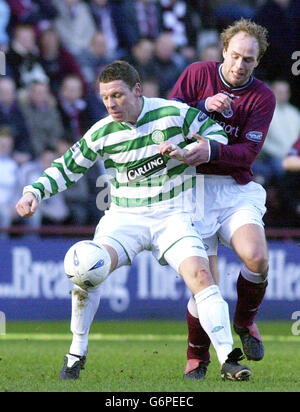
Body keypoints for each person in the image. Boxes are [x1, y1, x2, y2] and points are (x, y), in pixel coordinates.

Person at [16, 60, 251, 382]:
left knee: (201, 274)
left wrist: (193, 151)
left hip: (173, 215)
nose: (111, 104)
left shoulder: (173, 113)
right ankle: (75, 354)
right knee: (87, 268)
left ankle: (228, 359)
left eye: (118, 95)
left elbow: (217, 135)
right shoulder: (102, 131)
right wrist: (34, 192)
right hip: (125, 218)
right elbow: (68, 166)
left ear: (137, 90)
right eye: (105, 98)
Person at [169, 18, 276, 379]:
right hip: (192, 190)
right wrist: (201, 105)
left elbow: (248, 153)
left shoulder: (263, 96)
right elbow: (166, 121)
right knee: (206, 283)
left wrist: (211, 150)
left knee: (257, 258)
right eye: (234, 56)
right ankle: (197, 358)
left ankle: (245, 322)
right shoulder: (198, 73)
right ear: (223, 51)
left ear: (257, 61)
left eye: (248, 59)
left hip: (233, 187)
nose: (238, 65)